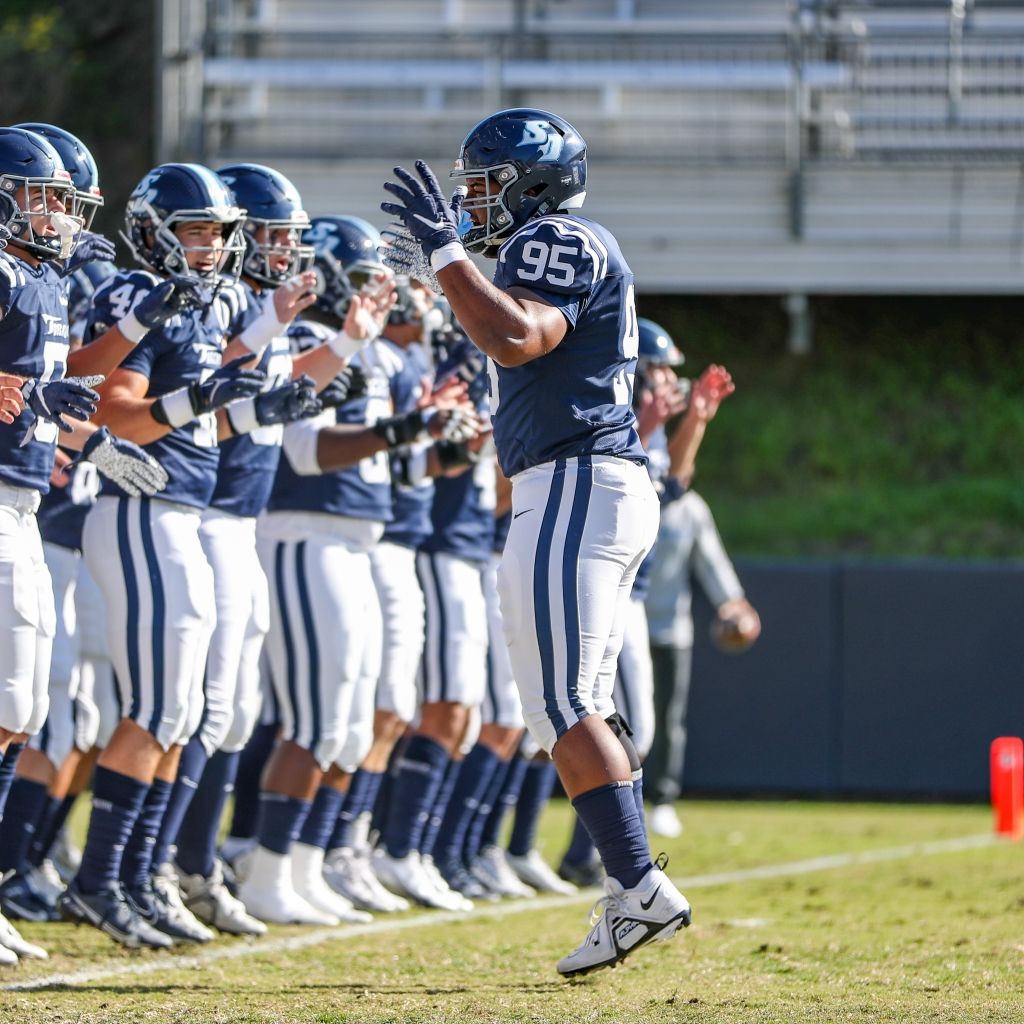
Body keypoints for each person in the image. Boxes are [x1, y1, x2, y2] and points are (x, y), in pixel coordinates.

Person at [381, 107, 691, 977]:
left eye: (485, 186)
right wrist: (447, 274)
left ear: (534, 184)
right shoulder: (552, 246)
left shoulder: (557, 239)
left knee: (561, 706)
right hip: (583, 482)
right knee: (580, 699)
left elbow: (520, 336)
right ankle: (630, 884)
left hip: (576, 482)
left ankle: (635, 889)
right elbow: (508, 337)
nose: (472, 203)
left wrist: (448, 255)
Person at [645, 493, 761, 837]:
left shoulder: (691, 508)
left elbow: (711, 560)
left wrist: (732, 605)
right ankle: (619, 799)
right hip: (622, 627)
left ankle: (663, 800)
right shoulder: (629, 489)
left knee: (668, 717)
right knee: (620, 720)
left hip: (671, 629)